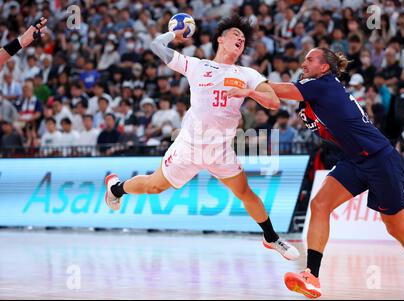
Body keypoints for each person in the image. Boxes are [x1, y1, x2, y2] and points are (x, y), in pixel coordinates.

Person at [104, 16, 300, 261]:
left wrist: (248, 91)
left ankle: (271, 238)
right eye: (235, 34)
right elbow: (156, 46)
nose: (240, 38)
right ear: (220, 39)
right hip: (189, 146)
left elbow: (273, 102)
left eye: (243, 38)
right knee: (154, 186)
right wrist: (172, 34)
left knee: (245, 193)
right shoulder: (197, 65)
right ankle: (116, 188)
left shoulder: (247, 73)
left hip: (220, 150)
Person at [268, 47, 404, 299]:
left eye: (310, 59)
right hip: (354, 160)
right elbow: (274, 96)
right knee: (320, 205)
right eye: (304, 58)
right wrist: (245, 90)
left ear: (324, 67)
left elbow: (281, 90)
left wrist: (246, 79)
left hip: (380, 159)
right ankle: (312, 276)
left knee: (397, 228)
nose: (304, 62)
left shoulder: (322, 84)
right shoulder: (312, 90)